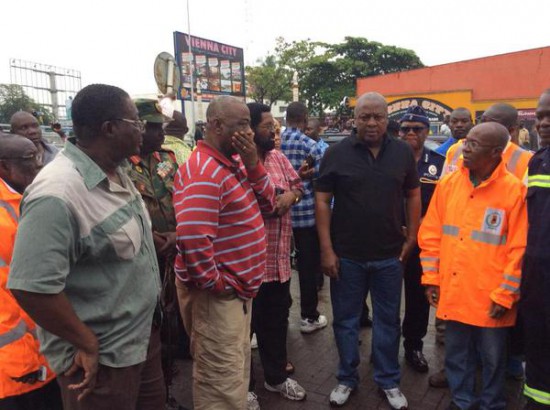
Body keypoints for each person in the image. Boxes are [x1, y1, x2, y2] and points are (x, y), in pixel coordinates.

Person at [7, 84, 165, 410]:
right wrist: (86, 343)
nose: (143, 130)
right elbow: (30, 287)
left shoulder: (115, 170)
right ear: (109, 128)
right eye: (136, 122)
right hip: (103, 361)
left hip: (139, 341)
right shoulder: (57, 193)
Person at [316, 92, 421, 409]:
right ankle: (347, 378)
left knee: (388, 321)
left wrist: (412, 237)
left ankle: (388, 380)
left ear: (388, 119)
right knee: (346, 322)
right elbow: (322, 200)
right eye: (365, 116)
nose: (372, 122)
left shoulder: (402, 152)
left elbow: (413, 195)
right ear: (354, 119)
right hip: (346, 256)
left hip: (390, 256)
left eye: (378, 116)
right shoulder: (336, 153)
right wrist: (326, 249)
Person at [173, 96, 275, 410]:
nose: (250, 132)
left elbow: (270, 203)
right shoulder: (205, 169)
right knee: (220, 385)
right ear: (216, 125)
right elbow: (191, 235)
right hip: (219, 297)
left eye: (249, 123)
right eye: (242, 124)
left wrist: (253, 163)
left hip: (235, 294)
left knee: (233, 376)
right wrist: (217, 285)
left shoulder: (233, 163)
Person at [419, 122, 527, 410]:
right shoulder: (449, 184)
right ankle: (462, 400)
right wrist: (431, 279)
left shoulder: (513, 192)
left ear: (495, 152)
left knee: (493, 360)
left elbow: (519, 249)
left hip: (491, 298)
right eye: (466, 141)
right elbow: (430, 234)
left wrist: (505, 295)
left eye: (474, 144)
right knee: (456, 355)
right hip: (454, 292)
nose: (465, 148)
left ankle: (492, 403)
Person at [126, 99, 188, 409]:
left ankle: (165, 390)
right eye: (152, 127)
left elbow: (185, 199)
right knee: (146, 330)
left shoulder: (169, 159)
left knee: (170, 327)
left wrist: (179, 235)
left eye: (160, 127)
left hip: (173, 254)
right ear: (137, 127)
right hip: (141, 258)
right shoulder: (122, 164)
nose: (160, 134)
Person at [246, 103, 306, 408]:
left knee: (276, 325)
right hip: (249, 268)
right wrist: (275, 201)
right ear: (251, 129)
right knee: (244, 333)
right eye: (268, 125)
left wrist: (290, 196)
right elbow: (257, 204)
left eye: (275, 125)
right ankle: (245, 388)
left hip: (280, 263)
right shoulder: (237, 163)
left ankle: (276, 378)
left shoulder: (279, 157)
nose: (275, 130)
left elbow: (298, 186)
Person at [0, 134, 62, 410]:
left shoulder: (22, 199)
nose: (38, 167)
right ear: (3, 167)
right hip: (16, 366)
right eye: (29, 160)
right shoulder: (4, 216)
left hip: (39, 354)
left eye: (38, 157)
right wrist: (22, 358)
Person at [398, 106, 445, 374]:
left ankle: (413, 346)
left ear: (427, 131)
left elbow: (443, 206)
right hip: (392, 239)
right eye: (406, 129)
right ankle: (384, 346)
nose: (411, 133)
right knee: (387, 297)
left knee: (418, 297)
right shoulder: (386, 159)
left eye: (417, 129)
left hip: (423, 244)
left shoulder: (439, 163)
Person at [281, 102, 328, 333]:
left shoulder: (275, 144)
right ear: (305, 118)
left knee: (280, 266)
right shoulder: (312, 146)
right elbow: (327, 173)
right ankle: (308, 317)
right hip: (306, 215)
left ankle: (280, 313)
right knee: (308, 267)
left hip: (279, 215)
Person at [521, 89, 550, 410]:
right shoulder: (538, 162)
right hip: (537, 281)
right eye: (540, 115)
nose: (543, 123)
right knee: (538, 350)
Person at [444, 104, 532, 180]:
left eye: (491, 125)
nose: (483, 127)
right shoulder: (456, 150)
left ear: (511, 130)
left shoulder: (527, 160)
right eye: (482, 121)